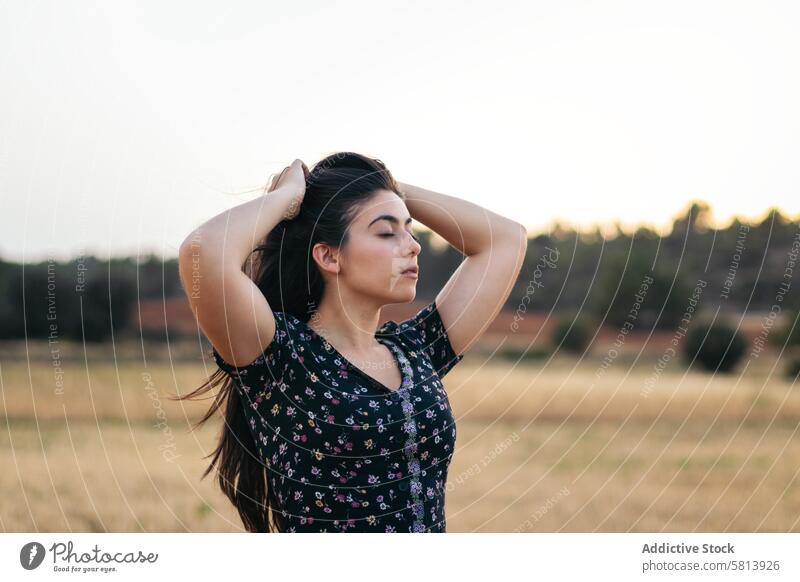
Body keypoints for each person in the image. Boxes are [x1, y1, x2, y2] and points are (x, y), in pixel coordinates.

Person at [176, 152, 527, 532]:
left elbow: (506, 240)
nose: (413, 245)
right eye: (386, 231)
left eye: (409, 229)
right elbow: (203, 252)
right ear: (329, 255)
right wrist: (289, 196)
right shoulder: (281, 357)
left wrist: (389, 189)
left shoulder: (416, 351)